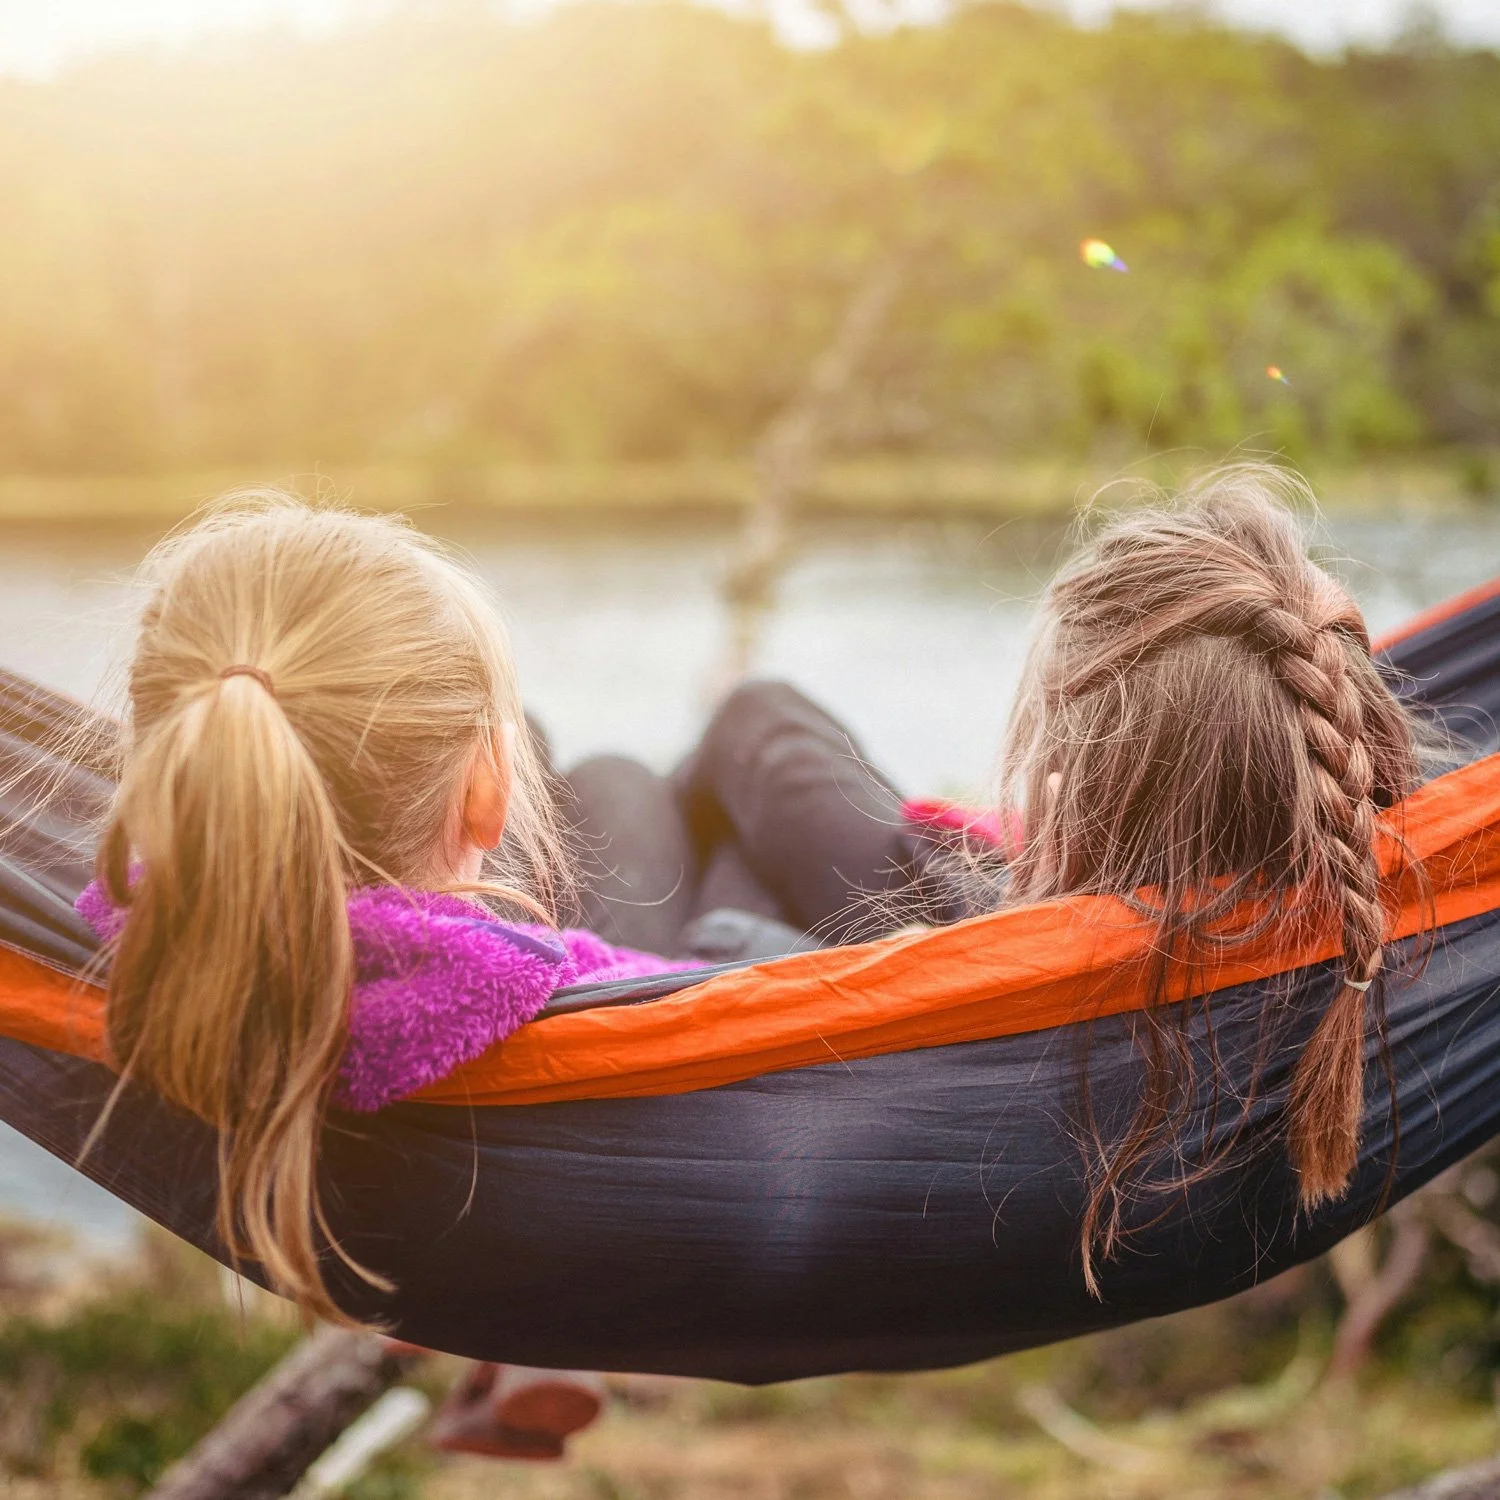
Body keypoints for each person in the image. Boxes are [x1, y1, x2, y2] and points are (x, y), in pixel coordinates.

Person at [579, 465, 1427, 1290]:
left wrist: (1043, 863)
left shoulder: (1052, 981)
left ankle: (584, 1256)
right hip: (999, 928)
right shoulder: (1404, 901)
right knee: (719, 823)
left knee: (644, 767)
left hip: (934, 958)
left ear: (1073, 784)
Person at [76, 495, 683, 1452]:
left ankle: (531, 1356)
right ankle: (536, 1349)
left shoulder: (142, 945)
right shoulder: (542, 984)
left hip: (458, 1167)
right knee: (702, 752)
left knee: (587, 769)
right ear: (487, 796)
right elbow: (712, 997)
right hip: (714, 993)